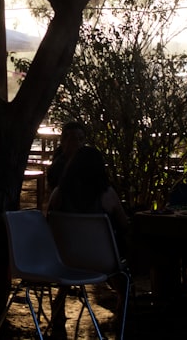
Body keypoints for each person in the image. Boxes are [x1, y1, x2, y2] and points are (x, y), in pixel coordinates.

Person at [46, 145, 129, 338]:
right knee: (120, 255)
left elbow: (48, 224)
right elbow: (124, 226)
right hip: (103, 261)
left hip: (65, 260)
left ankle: (60, 300)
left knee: (75, 251)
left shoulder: (58, 195)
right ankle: (122, 305)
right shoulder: (108, 195)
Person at [46, 121, 87, 194]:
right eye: (73, 139)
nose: (78, 143)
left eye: (81, 139)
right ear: (63, 141)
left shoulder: (89, 161)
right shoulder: (58, 164)